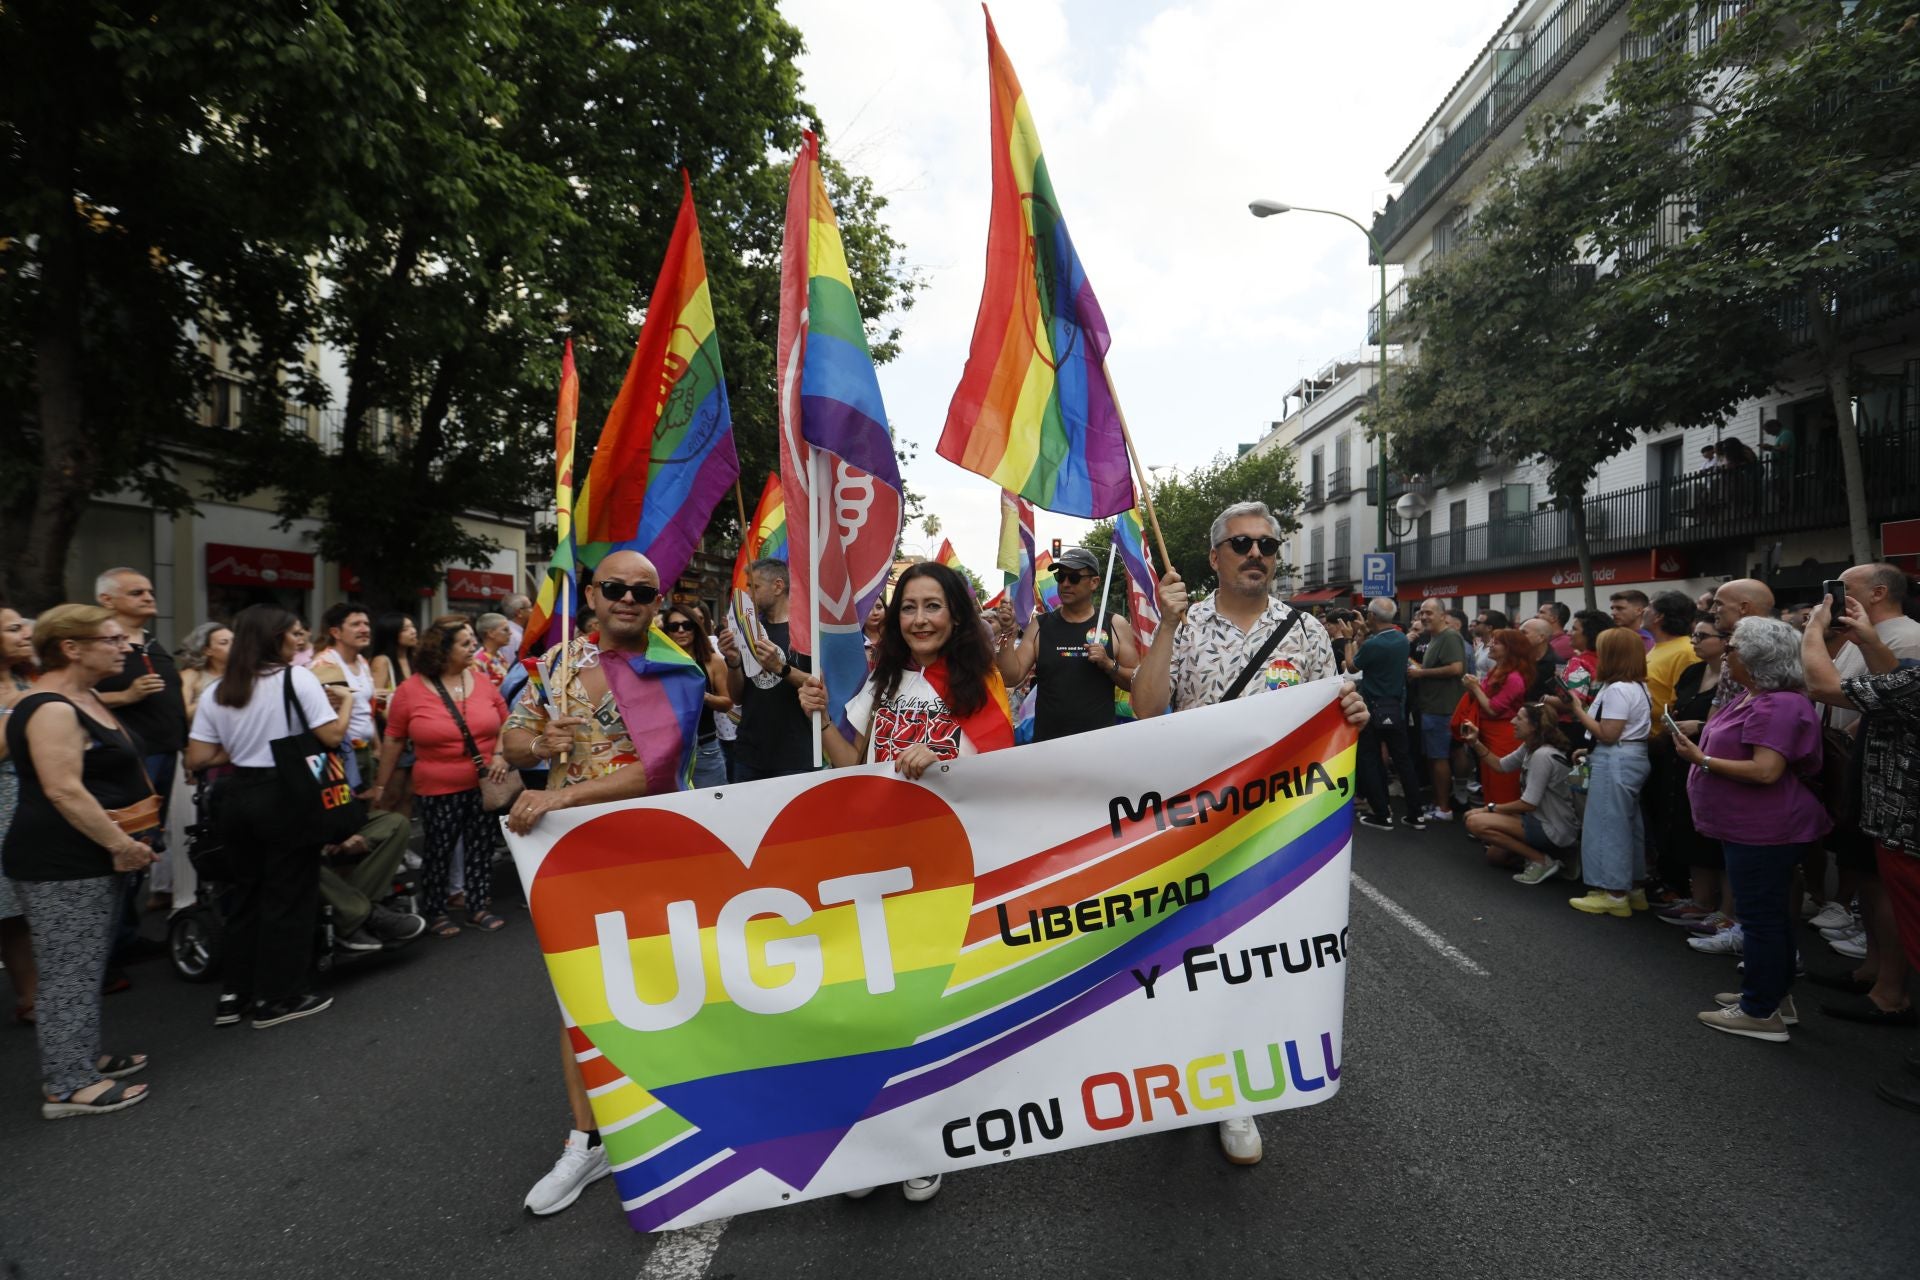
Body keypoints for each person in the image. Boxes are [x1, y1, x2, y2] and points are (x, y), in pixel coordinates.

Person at [1129, 500, 1368, 1168]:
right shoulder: (1183, 623)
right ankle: (1179, 1076)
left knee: (1251, 957)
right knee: (1186, 957)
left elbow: (1332, 716)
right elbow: (1146, 709)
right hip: (1194, 829)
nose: (1257, 553)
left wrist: (1354, 711)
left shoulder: (1306, 630)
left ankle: (1233, 1094)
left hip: (1276, 831)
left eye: (1267, 543)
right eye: (1241, 543)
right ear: (1215, 557)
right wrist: (1165, 626)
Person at [500, 551, 711, 1216]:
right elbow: (512, 739)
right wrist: (540, 744)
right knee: (580, 996)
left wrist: (559, 797)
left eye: (642, 592)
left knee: (665, 987)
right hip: (570, 859)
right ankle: (587, 1138)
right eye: (615, 587)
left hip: (650, 853)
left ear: (657, 603)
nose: (627, 599)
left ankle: (685, 1116)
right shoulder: (558, 663)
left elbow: (657, 769)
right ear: (591, 594)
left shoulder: (676, 669)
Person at [801, 561, 1014, 1204]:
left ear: (955, 614)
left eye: (932, 606)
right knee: (873, 1011)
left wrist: (943, 759)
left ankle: (923, 1143)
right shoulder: (883, 679)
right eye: (909, 608)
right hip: (875, 868)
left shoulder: (980, 683)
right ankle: (871, 1144)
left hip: (945, 872)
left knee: (929, 1012)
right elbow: (853, 763)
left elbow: (1004, 776)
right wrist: (820, 717)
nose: (920, 619)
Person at [5, 605, 158, 1116]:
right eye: (111, 639)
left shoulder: (84, 696)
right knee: (68, 970)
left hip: (88, 856)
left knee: (85, 964)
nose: (125, 647)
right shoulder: (51, 708)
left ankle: (80, 1058)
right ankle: (68, 1086)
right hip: (62, 860)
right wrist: (121, 845)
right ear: (71, 648)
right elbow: (63, 790)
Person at [184, 605, 350, 1029]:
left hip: (237, 793)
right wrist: (347, 702)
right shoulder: (297, 678)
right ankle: (279, 997)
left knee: (246, 894)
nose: (299, 639)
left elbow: (198, 757)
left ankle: (234, 994)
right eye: (292, 633)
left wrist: (241, 745)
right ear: (274, 639)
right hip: (286, 793)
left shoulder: (218, 689)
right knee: (289, 895)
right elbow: (331, 736)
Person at [1672, 617, 1829, 1042]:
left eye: (1733, 648)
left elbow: (1765, 771)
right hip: (1750, 826)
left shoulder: (1777, 704)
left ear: (1759, 658)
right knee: (1767, 916)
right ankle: (1773, 997)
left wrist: (1700, 759)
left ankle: (1760, 1012)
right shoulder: (1756, 696)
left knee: (1761, 918)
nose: (1726, 654)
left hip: (1764, 828)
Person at [1801, 594, 1920, 1112]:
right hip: (1899, 825)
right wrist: (1867, 638)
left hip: (1910, 827)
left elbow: (1823, 685)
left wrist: (1815, 628)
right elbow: (1894, 681)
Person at [372, 615, 511, 938]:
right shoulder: (410, 690)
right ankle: (435, 909)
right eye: (464, 643)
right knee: (439, 849)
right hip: (437, 787)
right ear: (442, 650)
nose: (473, 647)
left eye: (472, 641)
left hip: (484, 784)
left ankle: (477, 905)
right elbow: (394, 739)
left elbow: (507, 721)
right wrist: (381, 784)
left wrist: (500, 754)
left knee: (480, 846)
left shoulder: (481, 681)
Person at [91, 569, 186, 974]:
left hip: (167, 754)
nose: (149, 597)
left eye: (149, 590)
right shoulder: (96, 643)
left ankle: (125, 938)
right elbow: (72, 696)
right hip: (130, 760)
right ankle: (103, 953)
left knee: (146, 846)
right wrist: (126, 696)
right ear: (107, 600)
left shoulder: (150, 642)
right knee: (125, 846)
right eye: (136, 592)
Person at [993, 546, 1138, 741]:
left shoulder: (1115, 624)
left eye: (1074, 578)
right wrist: (1007, 633)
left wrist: (1109, 664)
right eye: (1060, 577)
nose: (1065, 584)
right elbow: (1011, 677)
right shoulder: (1040, 625)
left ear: (1094, 582)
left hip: (1099, 744)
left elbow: (1136, 683)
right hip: (1049, 744)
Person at [1558, 628, 1652, 917]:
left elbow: (1609, 734)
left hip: (1615, 759)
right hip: (1631, 756)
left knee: (1607, 825)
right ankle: (1633, 888)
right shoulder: (1637, 686)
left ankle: (1613, 893)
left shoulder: (1618, 689)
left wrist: (1577, 709)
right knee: (1629, 825)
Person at [1649, 620, 1729, 929]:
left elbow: (1734, 720)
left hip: (1712, 757)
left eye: (1703, 636)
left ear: (1724, 641)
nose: (1694, 640)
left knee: (1711, 836)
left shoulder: (1732, 676)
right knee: (1687, 827)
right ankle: (1700, 899)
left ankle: (1724, 909)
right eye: (1694, 634)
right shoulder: (1693, 671)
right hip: (1681, 756)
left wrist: (1700, 726)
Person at [716, 559, 814, 782]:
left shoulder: (806, 631)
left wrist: (780, 668)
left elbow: (818, 685)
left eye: (755, 586)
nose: (748, 593)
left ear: (778, 586)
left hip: (794, 758)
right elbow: (737, 696)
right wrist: (733, 662)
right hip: (748, 755)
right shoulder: (749, 631)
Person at [1460, 704, 1579, 884]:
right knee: (1495, 856)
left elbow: (1528, 804)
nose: (1513, 721)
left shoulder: (1542, 755)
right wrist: (1475, 743)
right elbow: (1500, 765)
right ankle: (1554, 859)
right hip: (1537, 821)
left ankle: (1542, 861)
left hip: (1552, 828)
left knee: (1475, 822)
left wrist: (1489, 808)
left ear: (1534, 726)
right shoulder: (1530, 747)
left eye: (1520, 718)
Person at [1348, 598, 1425, 831]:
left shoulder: (1374, 644)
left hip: (1372, 709)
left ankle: (1382, 814)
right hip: (1395, 708)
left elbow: (1352, 666)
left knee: (1370, 759)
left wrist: (1351, 640)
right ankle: (1416, 814)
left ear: (1372, 616)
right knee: (1403, 761)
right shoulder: (1401, 639)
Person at [0, 606, 41, 1026]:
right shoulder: (21, 693)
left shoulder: (27, 680)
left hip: (34, 800)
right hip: (3, 803)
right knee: (8, 909)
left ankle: (35, 996)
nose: (25, 634)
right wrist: (19, 707)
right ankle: (30, 995)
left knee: (22, 911)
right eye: (13, 629)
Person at [320, 810, 427, 953]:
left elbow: (344, 806)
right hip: (301, 841)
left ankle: (354, 911)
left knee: (395, 823)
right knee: (300, 856)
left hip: (326, 829)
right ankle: (363, 915)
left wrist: (342, 833)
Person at [1408, 597, 1469, 822]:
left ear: (1443, 616)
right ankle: (1438, 803)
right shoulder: (1434, 637)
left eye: (1429, 613)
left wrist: (1421, 673)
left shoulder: (1449, 636)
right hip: (1432, 706)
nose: (1424, 617)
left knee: (1439, 757)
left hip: (1442, 709)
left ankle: (1444, 808)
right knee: (1434, 758)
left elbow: (1456, 668)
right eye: (1421, 613)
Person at [660, 604, 732, 789]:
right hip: (668, 751)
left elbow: (727, 702)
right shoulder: (658, 663)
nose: (681, 630)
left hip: (705, 749)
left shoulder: (712, 660)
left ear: (696, 627)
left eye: (687, 625)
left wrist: (704, 696)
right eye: (674, 627)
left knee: (712, 804)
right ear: (667, 631)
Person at [309, 605, 380, 787]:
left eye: (366, 624)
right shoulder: (325, 664)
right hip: (340, 754)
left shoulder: (362, 661)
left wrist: (377, 747)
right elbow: (326, 719)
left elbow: (366, 709)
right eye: (356, 624)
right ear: (336, 632)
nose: (364, 629)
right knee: (345, 801)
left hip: (364, 750)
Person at [1461, 629, 1534, 806]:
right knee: (1488, 783)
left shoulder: (1514, 677)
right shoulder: (1497, 670)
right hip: (1489, 733)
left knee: (1501, 785)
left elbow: (1494, 709)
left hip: (1503, 736)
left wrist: (1475, 687)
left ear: (1510, 648)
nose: (1491, 645)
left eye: (1497, 642)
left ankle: (1499, 819)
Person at [1708, 579, 1776, 710]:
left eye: (1718, 604)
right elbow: (1719, 702)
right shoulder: (1733, 643)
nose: (1712, 610)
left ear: (1743, 608)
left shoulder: (1771, 651)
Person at [1643, 591, 1698, 732]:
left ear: (1659, 616)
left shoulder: (1686, 652)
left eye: (1649, 607)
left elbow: (1680, 704)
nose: (1644, 610)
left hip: (1664, 738)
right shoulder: (1658, 647)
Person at [176, 623, 232, 721]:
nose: (234, 646)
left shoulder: (243, 674)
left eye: (235, 641)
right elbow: (182, 713)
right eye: (224, 642)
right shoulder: (191, 675)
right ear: (207, 650)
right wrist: (213, 697)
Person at [1560, 611, 1612, 716]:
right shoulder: (1612, 660)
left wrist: (1547, 699)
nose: (1569, 633)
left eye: (1574, 629)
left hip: (1578, 723)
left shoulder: (1579, 663)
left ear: (1589, 634)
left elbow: (1574, 703)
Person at [472, 612, 514, 686]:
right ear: (491, 633)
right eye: (505, 630)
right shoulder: (478, 661)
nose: (510, 633)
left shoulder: (499, 655)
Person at [1537, 601, 1574, 666]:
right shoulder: (1547, 640)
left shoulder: (1565, 643)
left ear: (1553, 618)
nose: (1536, 615)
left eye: (1542, 612)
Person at [501, 594, 533, 665]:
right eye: (530, 607)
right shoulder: (513, 636)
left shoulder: (514, 632)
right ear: (519, 612)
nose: (533, 610)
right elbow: (511, 664)